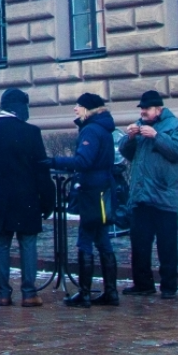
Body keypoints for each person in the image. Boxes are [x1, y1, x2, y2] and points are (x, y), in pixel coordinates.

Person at [0, 87, 52, 308]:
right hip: (27, 199)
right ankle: (29, 293)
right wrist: (48, 201)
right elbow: (42, 171)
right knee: (28, 244)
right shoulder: (31, 132)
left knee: (1, 245)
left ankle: (3, 294)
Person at [50, 92, 118, 307]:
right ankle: (111, 293)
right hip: (102, 190)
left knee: (85, 238)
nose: (75, 109)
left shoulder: (91, 130)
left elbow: (83, 161)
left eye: (78, 105)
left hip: (91, 191)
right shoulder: (104, 128)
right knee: (103, 239)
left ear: (88, 109)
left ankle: (85, 293)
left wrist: (54, 161)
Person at [119, 90, 178, 299]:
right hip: (141, 196)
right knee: (139, 243)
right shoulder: (140, 126)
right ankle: (143, 284)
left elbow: (177, 151)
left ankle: (169, 287)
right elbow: (126, 153)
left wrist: (157, 136)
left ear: (158, 109)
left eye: (146, 109)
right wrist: (130, 138)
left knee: (167, 245)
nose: (142, 112)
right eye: (141, 109)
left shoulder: (175, 126)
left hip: (164, 196)